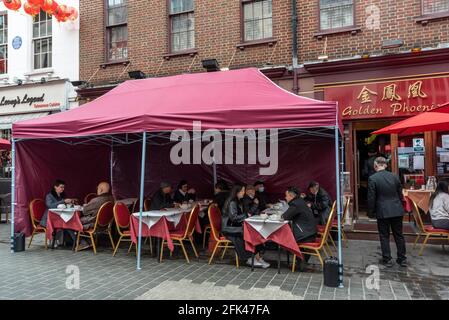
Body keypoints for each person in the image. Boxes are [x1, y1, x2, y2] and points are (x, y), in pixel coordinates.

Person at [368, 157, 407, 267]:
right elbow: (400, 194)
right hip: (396, 209)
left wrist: (371, 213)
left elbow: (371, 198)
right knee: (399, 235)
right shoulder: (394, 176)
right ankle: (402, 258)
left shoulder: (373, 178)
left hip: (383, 210)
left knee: (384, 235)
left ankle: (387, 259)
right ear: (385, 165)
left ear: (376, 166)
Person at [222, 183, 269, 268]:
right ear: (237, 192)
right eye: (242, 191)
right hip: (229, 228)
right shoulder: (232, 202)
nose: (244, 192)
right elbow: (234, 218)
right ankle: (250, 258)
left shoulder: (238, 201)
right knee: (250, 233)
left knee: (254, 231)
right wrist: (246, 215)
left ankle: (257, 257)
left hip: (235, 226)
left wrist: (246, 215)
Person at [282, 186, 317, 270]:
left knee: (285, 237)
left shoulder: (295, 204)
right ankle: (301, 262)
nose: (285, 198)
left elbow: (285, 216)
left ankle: (300, 262)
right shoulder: (300, 201)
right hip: (310, 232)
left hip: (305, 235)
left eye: (286, 196)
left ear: (291, 196)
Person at [41, 179, 76, 247]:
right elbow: (50, 205)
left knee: (68, 221)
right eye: (61, 187)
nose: (63, 189)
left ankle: (72, 241)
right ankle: (75, 241)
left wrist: (70, 202)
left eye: (63, 187)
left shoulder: (62, 195)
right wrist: (63, 201)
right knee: (67, 222)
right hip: (49, 218)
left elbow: (63, 206)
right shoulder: (49, 196)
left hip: (59, 216)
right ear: (55, 187)